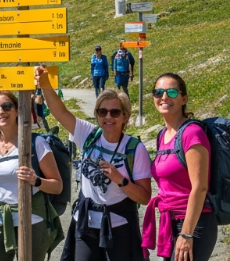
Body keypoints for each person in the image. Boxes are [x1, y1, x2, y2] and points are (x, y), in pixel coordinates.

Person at [36, 66, 152, 261]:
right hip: (86, 224)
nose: (108, 117)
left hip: (119, 226)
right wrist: (45, 84)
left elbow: (144, 197)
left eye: (115, 112)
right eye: (102, 111)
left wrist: (120, 180)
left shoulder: (134, 148)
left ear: (125, 116)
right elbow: (60, 112)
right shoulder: (89, 134)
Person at [0, 91, 64, 261]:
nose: (0, 111)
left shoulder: (36, 143)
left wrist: (36, 180)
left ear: (17, 110)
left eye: (6, 106)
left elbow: (57, 186)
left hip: (33, 220)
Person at [142, 73, 217, 261]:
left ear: (184, 99)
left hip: (194, 223)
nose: (164, 97)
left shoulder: (192, 133)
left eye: (171, 92)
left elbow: (200, 187)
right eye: (158, 92)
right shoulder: (162, 135)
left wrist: (186, 234)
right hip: (170, 221)